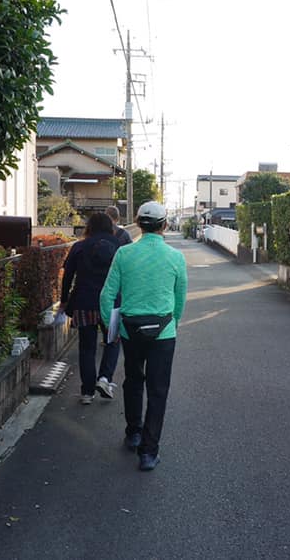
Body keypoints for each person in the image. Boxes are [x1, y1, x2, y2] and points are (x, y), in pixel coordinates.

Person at [100, 201, 188, 471]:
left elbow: (106, 296)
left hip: (130, 329)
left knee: (134, 380)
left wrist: (111, 330)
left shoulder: (124, 254)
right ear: (165, 224)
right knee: (158, 390)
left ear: (138, 223)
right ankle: (148, 453)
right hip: (163, 332)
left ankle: (133, 432)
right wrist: (173, 322)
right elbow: (179, 298)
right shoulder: (175, 257)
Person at [59, 212, 121, 405]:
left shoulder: (79, 246)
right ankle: (104, 378)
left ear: (90, 227)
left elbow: (68, 275)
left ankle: (87, 392)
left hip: (84, 302)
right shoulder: (120, 247)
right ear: (110, 226)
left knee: (87, 348)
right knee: (112, 341)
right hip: (111, 304)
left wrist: (64, 300)